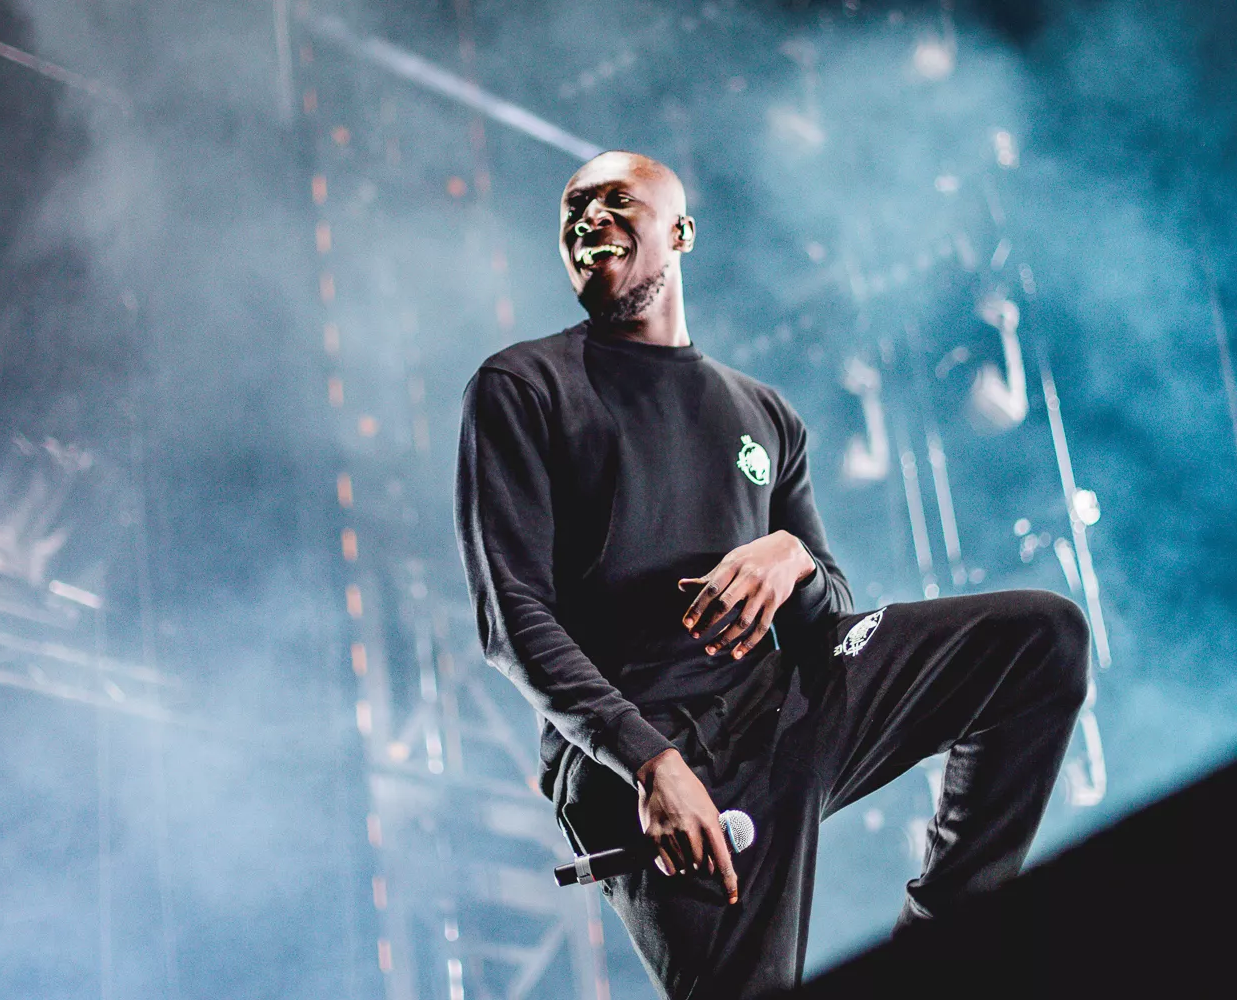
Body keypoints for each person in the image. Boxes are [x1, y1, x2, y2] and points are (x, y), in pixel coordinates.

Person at [454, 150, 1089, 998]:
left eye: (614, 200)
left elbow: (832, 610)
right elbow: (510, 617)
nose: (587, 219)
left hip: (785, 702)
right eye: (573, 209)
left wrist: (793, 560)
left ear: (681, 233)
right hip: (644, 756)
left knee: (1040, 640)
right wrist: (649, 763)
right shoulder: (523, 386)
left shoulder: (764, 414)